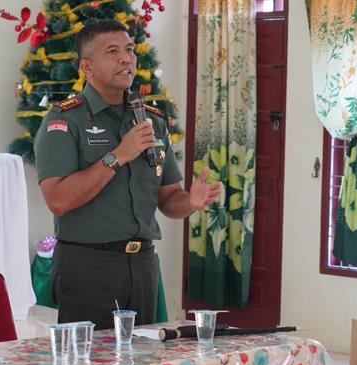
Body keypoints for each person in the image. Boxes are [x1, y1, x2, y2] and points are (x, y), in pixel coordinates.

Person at [34, 19, 223, 330]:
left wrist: (190, 201)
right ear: (86, 66)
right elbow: (58, 200)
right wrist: (118, 155)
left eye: (130, 50)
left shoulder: (152, 122)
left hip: (143, 264)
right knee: (92, 358)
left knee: (142, 356)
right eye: (112, 51)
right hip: (88, 265)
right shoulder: (65, 120)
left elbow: (169, 199)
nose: (126, 58)